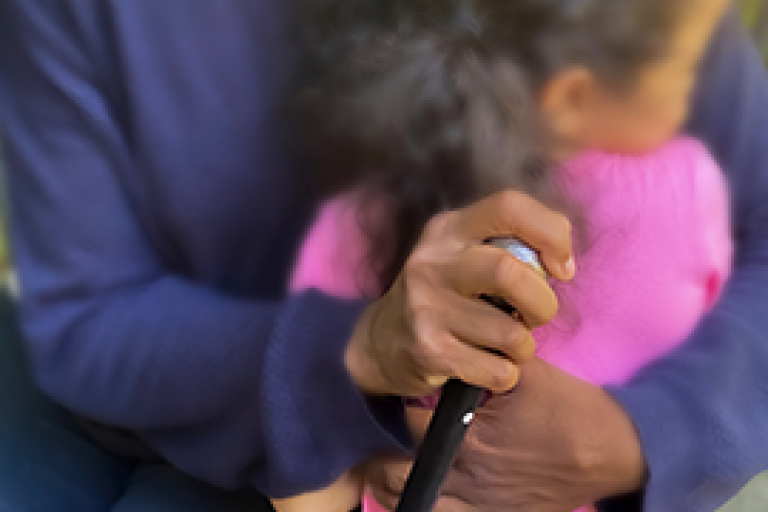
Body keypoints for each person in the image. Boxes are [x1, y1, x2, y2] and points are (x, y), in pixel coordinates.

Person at [0, 1, 765, 512]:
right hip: (181, 429)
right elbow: (90, 322)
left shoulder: (655, 62)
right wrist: (346, 356)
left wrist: (639, 439)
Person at [282, 0, 731, 510]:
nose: (691, 96)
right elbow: (706, 354)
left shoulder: (367, 200)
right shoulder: (688, 190)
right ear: (571, 95)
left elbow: (300, 451)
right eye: (681, 72)